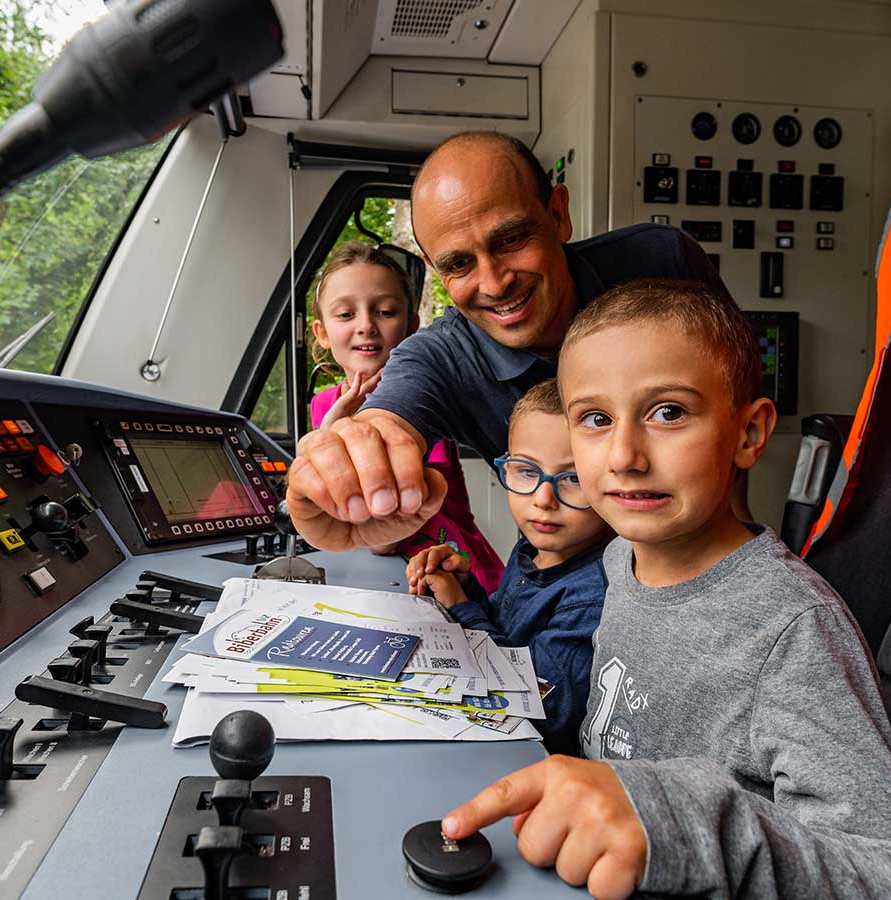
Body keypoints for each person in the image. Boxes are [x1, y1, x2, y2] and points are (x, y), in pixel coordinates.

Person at [439, 279, 891, 900]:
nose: (625, 455)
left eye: (668, 412)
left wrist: (679, 822)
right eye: (596, 419)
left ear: (749, 433)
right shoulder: (619, 559)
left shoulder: (794, 629)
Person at [286, 131, 724, 553]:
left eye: (511, 239)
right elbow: (390, 418)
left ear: (558, 215)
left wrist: (735, 534)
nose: (495, 284)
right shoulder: (442, 357)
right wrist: (357, 462)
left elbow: (731, 398)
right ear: (436, 270)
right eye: (458, 263)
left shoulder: (663, 262)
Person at [405, 379, 612, 754]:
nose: (543, 499)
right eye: (526, 472)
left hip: (533, 760)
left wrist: (459, 607)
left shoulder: (594, 594)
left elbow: (536, 700)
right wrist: (464, 587)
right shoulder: (532, 549)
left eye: (574, 478)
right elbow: (507, 632)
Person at [307, 241, 503, 595]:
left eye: (384, 311)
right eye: (346, 314)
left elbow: (383, 533)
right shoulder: (323, 404)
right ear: (322, 333)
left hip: (458, 572)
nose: (366, 325)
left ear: (412, 326)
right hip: (388, 573)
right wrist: (328, 430)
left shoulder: (425, 401)